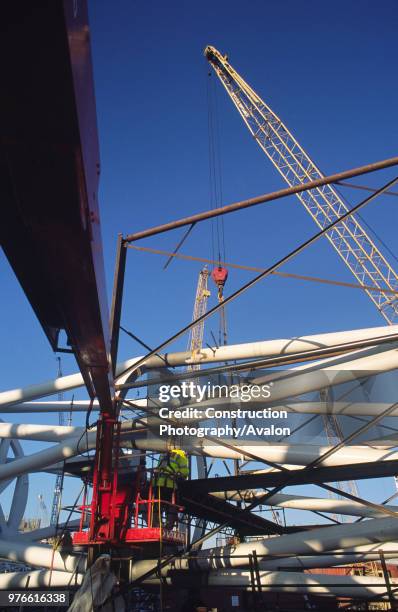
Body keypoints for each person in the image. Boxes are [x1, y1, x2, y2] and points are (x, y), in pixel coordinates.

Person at [152, 448, 188, 529]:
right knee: (171, 507)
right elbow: (185, 472)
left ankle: (157, 525)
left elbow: (158, 467)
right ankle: (168, 527)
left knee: (157, 505)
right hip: (170, 485)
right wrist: (178, 475)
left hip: (158, 483)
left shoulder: (163, 453)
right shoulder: (181, 455)